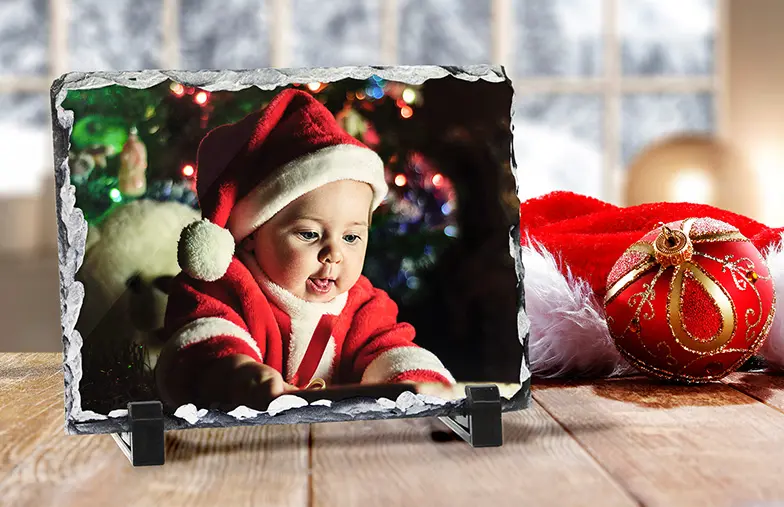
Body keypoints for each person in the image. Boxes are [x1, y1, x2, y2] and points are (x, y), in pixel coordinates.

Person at [155, 88, 455, 411]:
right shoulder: (227, 287)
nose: (333, 254)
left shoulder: (362, 305)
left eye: (351, 238)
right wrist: (237, 372)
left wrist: (416, 383)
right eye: (310, 234)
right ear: (254, 233)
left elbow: (390, 348)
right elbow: (204, 340)